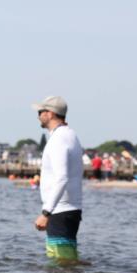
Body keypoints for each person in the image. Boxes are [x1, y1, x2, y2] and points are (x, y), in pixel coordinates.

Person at [31, 96, 83, 262]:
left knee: (61, 263)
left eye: (40, 112)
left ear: (50, 114)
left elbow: (62, 178)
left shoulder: (58, 139)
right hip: (68, 209)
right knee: (67, 262)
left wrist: (46, 213)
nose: (38, 115)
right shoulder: (70, 135)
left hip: (60, 210)